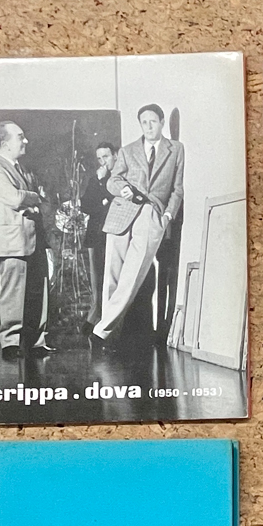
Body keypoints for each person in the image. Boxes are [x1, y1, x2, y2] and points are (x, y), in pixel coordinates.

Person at [90, 103, 184, 350]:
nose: (148, 126)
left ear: (162, 122)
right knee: (112, 275)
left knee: (132, 275)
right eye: (144, 122)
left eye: (153, 121)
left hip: (152, 213)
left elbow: (177, 188)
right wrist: (121, 188)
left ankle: (101, 331)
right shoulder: (128, 150)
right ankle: (109, 335)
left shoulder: (176, 149)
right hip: (122, 211)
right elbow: (113, 180)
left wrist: (167, 215)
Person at [0, 121, 53, 361]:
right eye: (20, 137)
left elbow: (29, 201)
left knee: (37, 293)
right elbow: (15, 198)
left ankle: (36, 342)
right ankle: (10, 344)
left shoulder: (20, 168)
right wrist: (34, 197)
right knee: (13, 295)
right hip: (12, 244)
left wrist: (29, 201)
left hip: (32, 241)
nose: (26, 141)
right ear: (5, 143)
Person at [79, 141, 116, 333]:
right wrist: (101, 200)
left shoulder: (119, 179)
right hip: (95, 235)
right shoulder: (95, 179)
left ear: (115, 156)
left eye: (106, 157)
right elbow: (85, 205)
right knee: (97, 280)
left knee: (111, 279)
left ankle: (105, 320)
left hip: (112, 235)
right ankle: (94, 316)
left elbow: (112, 204)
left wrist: (101, 197)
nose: (103, 162)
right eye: (99, 158)